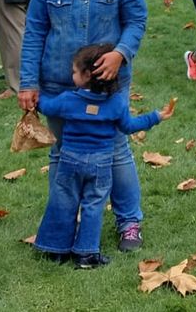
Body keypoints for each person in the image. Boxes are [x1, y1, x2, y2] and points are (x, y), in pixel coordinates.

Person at [19, 0, 153, 253]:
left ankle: (129, 222)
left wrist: (120, 53)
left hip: (108, 85)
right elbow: (34, 30)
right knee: (63, 153)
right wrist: (28, 82)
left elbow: (136, 21)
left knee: (115, 150)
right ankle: (62, 227)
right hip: (58, 83)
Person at [35, 44, 173, 268]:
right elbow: (129, 126)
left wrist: (33, 97)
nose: (72, 76)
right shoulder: (116, 103)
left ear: (87, 75)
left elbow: (47, 107)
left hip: (69, 161)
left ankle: (55, 249)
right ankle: (86, 254)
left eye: (74, 72)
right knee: (93, 205)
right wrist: (156, 116)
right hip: (101, 164)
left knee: (64, 199)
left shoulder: (68, 100)